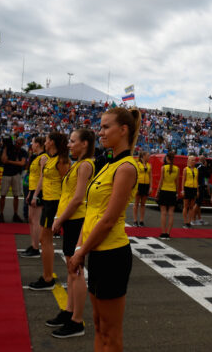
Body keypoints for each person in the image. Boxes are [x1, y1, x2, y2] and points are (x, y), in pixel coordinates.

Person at [68, 107, 140, 352]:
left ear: (123, 130)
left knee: (111, 332)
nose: (101, 132)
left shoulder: (126, 167)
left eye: (106, 127)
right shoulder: (108, 165)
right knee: (98, 326)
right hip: (97, 253)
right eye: (100, 127)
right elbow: (91, 214)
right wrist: (81, 248)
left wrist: (79, 253)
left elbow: (108, 220)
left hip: (112, 254)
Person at [47, 128, 95, 338]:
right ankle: (69, 312)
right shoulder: (79, 164)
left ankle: (77, 321)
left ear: (85, 144)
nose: (69, 144)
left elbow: (77, 199)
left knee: (76, 272)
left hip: (77, 221)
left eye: (73, 141)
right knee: (71, 269)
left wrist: (59, 219)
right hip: (73, 221)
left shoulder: (85, 165)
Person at [28, 132, 69, 290]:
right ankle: (47, 276)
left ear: (52, 142)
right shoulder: (51, 159)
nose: (44, 142)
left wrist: (61, 211)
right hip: (49, 202)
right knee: (44, 240)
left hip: (55, 203)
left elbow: (68, 186)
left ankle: (47, 278)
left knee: (45, 240)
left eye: (46, 140)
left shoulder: (62, 160)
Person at [22, 136, 46, 258]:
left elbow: (42, 177)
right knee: (31, 219)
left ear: (38, 144)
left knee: (36, 220)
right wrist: (30, 193)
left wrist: (35, 195)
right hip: (33, 190)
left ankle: (36, 248)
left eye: (33, 142)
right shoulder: (36, 157)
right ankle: (33, 244)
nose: (31, 144)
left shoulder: (43, 157)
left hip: (39, 191)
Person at [0, 136, 28, 223]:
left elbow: (22, 163)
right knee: (3, 195)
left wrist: (10, 162)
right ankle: (1, 214)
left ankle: (15, 214)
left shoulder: (23, 151)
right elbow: (3, 160)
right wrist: (5, 148)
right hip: (6, 174)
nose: (17, 144)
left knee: (16, 196)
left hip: (16, 174)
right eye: (16, 142)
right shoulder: (8, 148)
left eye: (19, 143)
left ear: (22, 144)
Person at [157, 151, 179, 239]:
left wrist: (157, 192)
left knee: (163, 213)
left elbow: (161, 181)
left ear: (167, 158)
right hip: (172, 191)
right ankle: (168, 233)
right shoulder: (177, 169)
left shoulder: (163, 168)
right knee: (171, 213)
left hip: (164, 190)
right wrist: (177, 193)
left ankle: (163, 232)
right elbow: (177, 183)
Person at [132, 150, 151, 227]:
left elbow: (150, 176)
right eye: (148, 155)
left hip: (146, 185)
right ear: (143, 156)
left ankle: (141, 220)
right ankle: (135, 220)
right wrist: (134, 186)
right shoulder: (137, 164)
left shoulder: (149, 165)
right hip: (139, 184)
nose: (149, 157)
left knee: (143, 204)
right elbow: (134, 175)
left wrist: (151, 187)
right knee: (136, 203)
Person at [192, 155, 210, 226]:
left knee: (198, 204)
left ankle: (199, 219)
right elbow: (208, 175)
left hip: (195, 186)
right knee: (197, 203)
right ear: (204, 160)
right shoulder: (202, 166)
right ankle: (193, 219)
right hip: (200, 186)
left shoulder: (195, 165)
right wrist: (205, 166)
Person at [181, 155, 198, 228]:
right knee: (186, 206)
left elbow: (197, 181)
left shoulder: (196, 170)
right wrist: (182, 190)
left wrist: (197, 190)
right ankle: (185, 221)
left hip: (194, 189)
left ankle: (189, 221)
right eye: (192, 160)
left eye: (194, 160)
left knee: (191, 206)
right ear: (189, 161)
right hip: (187, 188)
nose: (194, 162)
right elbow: (183, 180)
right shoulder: (185, 169)